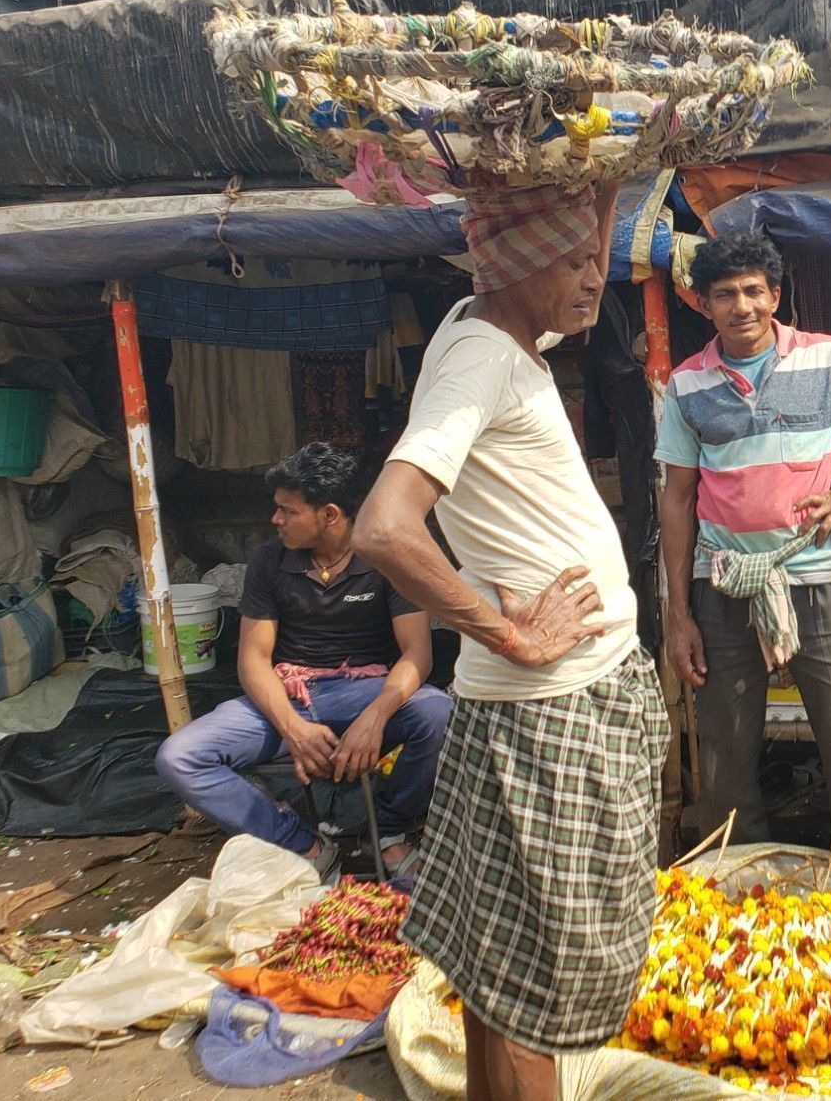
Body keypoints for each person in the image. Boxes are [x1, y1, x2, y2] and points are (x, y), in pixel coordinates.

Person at [355, 183, 667, 1101]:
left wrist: (611, 176)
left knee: (499, 969)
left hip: (553, 703)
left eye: (589, 259)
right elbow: (384, 526)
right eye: (570, 263)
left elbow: (571, 264)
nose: (591, 282)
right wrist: (506, 631)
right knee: (542, 981)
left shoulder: (492, 324)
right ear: (515, 267)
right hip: (553, 710)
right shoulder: (479, 362)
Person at [658, 230, 831, 850]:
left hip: (820, 578)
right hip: (724, 584)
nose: (743, 306)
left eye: (754, 291)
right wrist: (677, 614)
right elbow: (677, 501)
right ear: (704, 304)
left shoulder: (826, 357)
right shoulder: (685, 386)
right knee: (726, 752)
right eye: (726, 294)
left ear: (777, 295)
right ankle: (734, 893)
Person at [155, 443, 450, 876]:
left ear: (330, 514)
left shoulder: (388, 557)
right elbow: (253, 660)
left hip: (364, 692)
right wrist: (293, 729)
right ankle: (302, 844)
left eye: (287, 511)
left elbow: (417, 655)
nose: (275, 520)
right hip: (288, 697)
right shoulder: (268, 561)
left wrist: (374, 717)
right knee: (179, 756)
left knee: (439, 713)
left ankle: (385, 829)